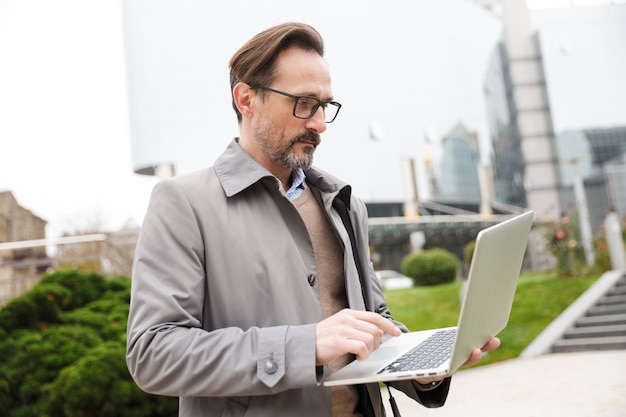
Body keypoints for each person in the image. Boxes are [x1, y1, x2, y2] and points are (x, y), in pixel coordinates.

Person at [126, 22, 499, 417]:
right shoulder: (183, 203)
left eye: (324, 105)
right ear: (246, 99)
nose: (319, 124)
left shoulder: (341, 202)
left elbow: (374, 320)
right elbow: (153, 353)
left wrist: (425, 367)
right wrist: (304, 346)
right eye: (303, 103)